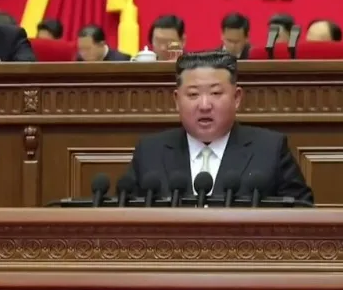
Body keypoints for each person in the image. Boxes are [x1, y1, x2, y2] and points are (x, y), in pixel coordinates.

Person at [125, 51, 312, 202]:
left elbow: (302, 213)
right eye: (193, 95)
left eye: (215, 93)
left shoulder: (270, 149)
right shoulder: (150, 151)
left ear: (237, 98)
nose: (204, 105)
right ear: (176, 100)